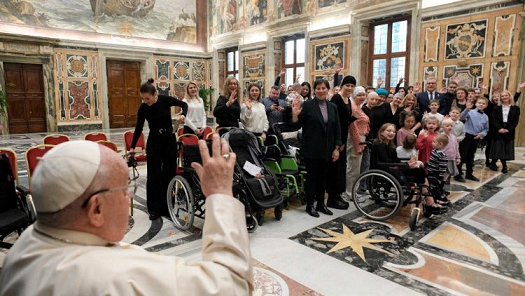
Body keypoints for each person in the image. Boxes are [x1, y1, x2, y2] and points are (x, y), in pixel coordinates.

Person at [0, 138, 253, 295]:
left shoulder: (24, 248)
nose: (131, 197)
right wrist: (220, 194)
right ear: (96, 209)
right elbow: (232, 285)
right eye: (125, 189)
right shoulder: (119, 277)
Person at [131, 78, 188, 220]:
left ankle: (167, 206)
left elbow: (183, 104)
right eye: (143, 99)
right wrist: (132, 146)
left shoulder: (165, 100)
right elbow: (138, 128)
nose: (146, 101)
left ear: (155, 94)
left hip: (168, 139)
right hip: (154, 141)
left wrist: (183, 114)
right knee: (154, 175)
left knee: (169, 173)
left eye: (148, 98)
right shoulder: (143, 108)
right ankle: (154, 209)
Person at [372, 123, 446, 216]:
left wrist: (408, 163)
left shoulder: (389, 145)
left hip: (392, 168)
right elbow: (386, 163)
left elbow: (395, 161)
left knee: (420, 170)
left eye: (394, 131)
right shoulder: (379, 145)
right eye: (389, 131)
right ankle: (430, 202)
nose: (392, 133)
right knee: (419, 173)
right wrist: (406, 165)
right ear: (381, 132)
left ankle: (429, 200)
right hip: (386, 171)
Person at [292, 79, 342, 218]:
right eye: (318, 88)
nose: (321, 91)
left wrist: (337, 147)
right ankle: (309, 205)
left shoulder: (332, 107)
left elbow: (337, 128)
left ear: (327, 90)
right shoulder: (308, 105)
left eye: (323, 88)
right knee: (312, 178)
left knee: (323, 178)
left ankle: (321, 203)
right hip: (312, 148)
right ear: (314, 90)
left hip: (327, 149)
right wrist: (295, 114)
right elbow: (296, 126)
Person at [327, 75, 356, 209]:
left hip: (343, 137)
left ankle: (338, 195)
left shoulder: (348, 99)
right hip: (336, 139)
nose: (350, 88)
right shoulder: (336, 98)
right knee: (334, 169)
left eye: (352, 86)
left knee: (341, 168)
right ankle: (332, 198)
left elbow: (344, 120)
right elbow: (334, 122)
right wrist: (338, 143)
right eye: (347, 85)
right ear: (342, 85)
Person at [457, 97, 489, 182]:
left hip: (476, 137)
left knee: (471, 156)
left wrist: (482, 134)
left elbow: (486, 129)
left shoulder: (486, 117)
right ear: (476, 104)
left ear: (486, 105)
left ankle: (469, 173)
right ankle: (458, 174)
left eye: (483, 103)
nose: (481, 104)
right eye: (479, 103)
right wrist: (467, 109)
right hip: (467, 136)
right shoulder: (470, 112)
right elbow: (461, 118)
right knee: (462, 155)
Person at [489, 90, 520, 173]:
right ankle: (504, 166)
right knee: (499, 148)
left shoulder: (516, 108)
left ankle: (493, 163)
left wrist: (509, 129)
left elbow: (515, 121)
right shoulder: (497, 108)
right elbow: (494, 119)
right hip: (498, 129)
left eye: (506, 95)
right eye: (502, 96)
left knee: (505, 149)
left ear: (509, 96)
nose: (504, 97)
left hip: (509, 130)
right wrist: (499, 128)